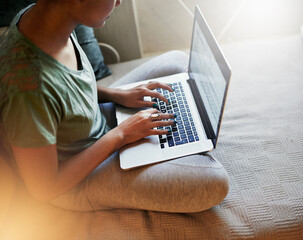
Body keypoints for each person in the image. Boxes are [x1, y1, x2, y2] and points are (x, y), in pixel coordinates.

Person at [0, 0, 229, 213]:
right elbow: (45, 188)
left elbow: (64, 89)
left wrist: (118, 95)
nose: (119, 1)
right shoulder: (27, 88)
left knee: (177, 62)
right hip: (78, 176)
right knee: (215, 181)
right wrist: (122, 134)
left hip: (92, 122)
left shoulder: (44, 17)